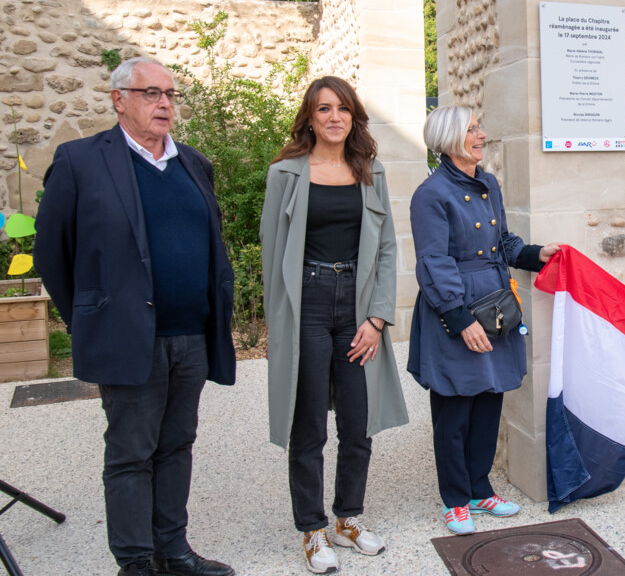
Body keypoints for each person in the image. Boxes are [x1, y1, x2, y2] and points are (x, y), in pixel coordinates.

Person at [34, 56, 236, 576]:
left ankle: (174, 551)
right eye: (151, 93)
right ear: (118, 99)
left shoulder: (193, 163)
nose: (165, 103)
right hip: (129, 338)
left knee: (177, 447)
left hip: (190, 334)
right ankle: (136, 561)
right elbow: (53, 254)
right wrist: (92, 318)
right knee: (130, 454)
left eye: (170, 94)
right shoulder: (81, 160)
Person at [260, 76, 408, 573]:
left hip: (358, 306)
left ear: (354, 117)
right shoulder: (286, 173)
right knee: (308, 426)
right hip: (308, 301)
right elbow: (271, 254)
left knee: (357, 420)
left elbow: (387, 248)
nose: (334, 117)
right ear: (309, 117)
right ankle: (311, 529)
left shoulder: (372, 171)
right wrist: (280, 322)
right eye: (324, 109)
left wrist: (377, 318)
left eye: (343, 109)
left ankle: (348, 518)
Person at [408, 107, 562, 535]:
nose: (483, 134)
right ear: (451, 138)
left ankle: (479, 490)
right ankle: (455, 499)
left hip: (495, 303)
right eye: (473, 129)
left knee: (489, 399)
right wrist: (459, 320)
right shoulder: (431, 193)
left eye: (479, 128)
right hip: (455, 306)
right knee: (455, 407)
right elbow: (434, 262)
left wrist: (536, 254)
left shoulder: (487, 182)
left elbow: (503, 242)